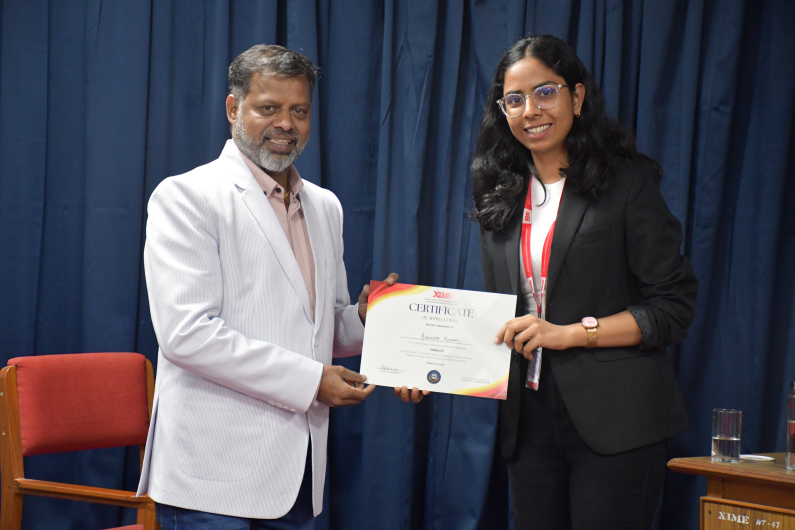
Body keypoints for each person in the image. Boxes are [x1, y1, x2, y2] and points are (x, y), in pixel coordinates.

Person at [137, 44, 398, 529]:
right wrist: (311, 381)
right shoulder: (187, 196)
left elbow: (322, 329)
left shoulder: (325, 207)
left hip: (297, 476)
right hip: (212, 480)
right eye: (269, 108)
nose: (286, 124)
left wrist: (364, 318)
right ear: (233, 108)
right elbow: (186, 335)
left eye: (299, 110)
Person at [472, 35, 698, 530]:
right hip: (528, 421)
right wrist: (433, 369)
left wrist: (571, 334)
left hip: (618, 421)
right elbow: (501, 316)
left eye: (545, 92)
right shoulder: (499, 195)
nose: (531, 110)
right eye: (514, 99)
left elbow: (673, 307)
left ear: (576, 97)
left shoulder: (627, 183)